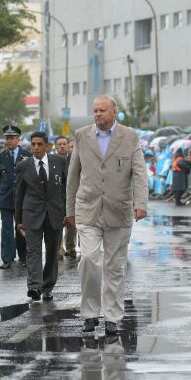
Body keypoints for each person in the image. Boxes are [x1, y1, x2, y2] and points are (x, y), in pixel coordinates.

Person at [66, 95, 148, 335]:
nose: (98, 114)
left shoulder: (130, 137)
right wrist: (69, 209)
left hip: (119, 210)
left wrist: (141, 203)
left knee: (115, 266)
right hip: (88, 209)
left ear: (114, 112)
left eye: (102, 110)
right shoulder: (82, 136)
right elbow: (73, 175)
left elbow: (139, 173)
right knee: (90, 259)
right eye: (95, 111)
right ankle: (90, 314)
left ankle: (112, 317)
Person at [15, 131, 67, 301]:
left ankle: (47, 286)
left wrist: (68, 213)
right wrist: (19, 220)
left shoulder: (59, 162)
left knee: (52, 253)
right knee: (33, 252)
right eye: (33, 145)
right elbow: (19, 194)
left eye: (39, 144)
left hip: (54, 214)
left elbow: (66, 189)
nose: (35, 148)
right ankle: (34, 287)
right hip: (32, 215)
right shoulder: (24, 166)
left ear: (47, 146)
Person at [0, 125, 31, 269]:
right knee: (6, 229)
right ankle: (7, 258)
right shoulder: (0, 157)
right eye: (7, 138)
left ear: (18, 139)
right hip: (6, 198)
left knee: (22, 228)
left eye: (12, 138)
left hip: (23, 199)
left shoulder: (27, 155)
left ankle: (24, 256)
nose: (9, 141)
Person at [55, 135, 77, 259]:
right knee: (57, 225)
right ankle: (59, 249)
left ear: (68, 146)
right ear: (56, 146)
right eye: (59, 144)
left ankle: (71, 248)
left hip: (71, 197)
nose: (62, 146)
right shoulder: (52, 160)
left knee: (71, 224)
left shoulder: (74, 160)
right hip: (57, 198)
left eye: (64, 144)